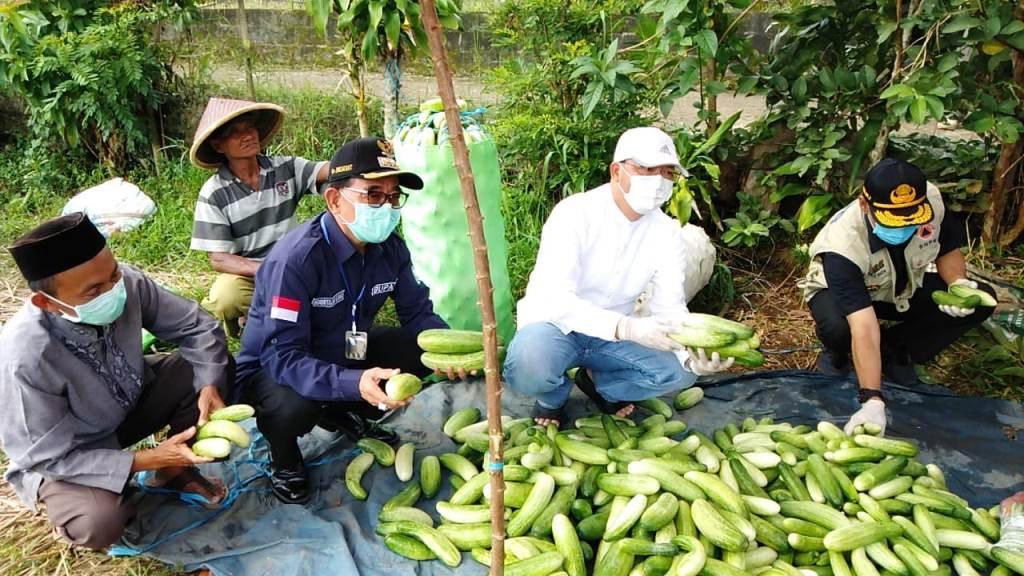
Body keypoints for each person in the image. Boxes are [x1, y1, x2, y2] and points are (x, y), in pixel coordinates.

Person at [235, 137, 455, 504]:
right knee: (292, 406)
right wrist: (354, 382)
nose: (386, 206)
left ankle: (340, 410)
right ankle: (285, 456)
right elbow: (283, 357)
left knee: (417, 347)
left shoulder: (389, 248)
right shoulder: (295, 261)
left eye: (393, 196)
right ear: (335, 200)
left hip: (344, 349)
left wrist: (448, 351)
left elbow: (417, 313)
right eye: (373, 195)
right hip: (277, 368)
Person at [0, 214, 232, 550]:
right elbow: (47, 457)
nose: (113, 291)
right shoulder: (23, 358)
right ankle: (74, 505)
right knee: (98, 521)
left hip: (126, 403)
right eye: (94, 290)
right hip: (71, 450)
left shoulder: (127, 285)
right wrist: (145, 459)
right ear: (46, 303)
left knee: (207, 367)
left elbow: (197, 328)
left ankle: (172, 473)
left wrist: (210, 385)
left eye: (113, 274)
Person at [503, 127, 735, 427]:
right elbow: (555, 298)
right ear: (617, 170)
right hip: (556, 328)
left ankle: (602, 386)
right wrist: (625, 327)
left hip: (616, 337)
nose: (659, 180)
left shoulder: (667, 233)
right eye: (647, 169)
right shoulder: (574, 214)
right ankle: (552, 398)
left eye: (667, 173)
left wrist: (691, 357)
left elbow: (670, 309)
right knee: (529, 362)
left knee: (679, 374)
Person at [799, 158, 996, 435]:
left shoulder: (931, 201)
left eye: (911, 218)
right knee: (840, 328)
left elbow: (947, 249)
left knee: (981, 300)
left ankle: (896, 351)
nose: (904, 226)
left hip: (903, 286)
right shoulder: (842, 245)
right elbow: (864, 325)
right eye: (894, 220)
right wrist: (872, 399)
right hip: (847, 290)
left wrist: (958, 285)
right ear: (865, 205)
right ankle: (837, 355)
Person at [189, 97, 330, 337]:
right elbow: (220, 260)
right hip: (251, 273)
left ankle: (272, 317)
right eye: (235, 132)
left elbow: (328, 171)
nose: (247, 135)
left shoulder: (285, 168)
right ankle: (253, 320)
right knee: (226, 297)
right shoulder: (214, 193)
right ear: (218, 145)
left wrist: (360, 158)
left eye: (250, 128)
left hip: (295, 264)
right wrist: (268, 268)